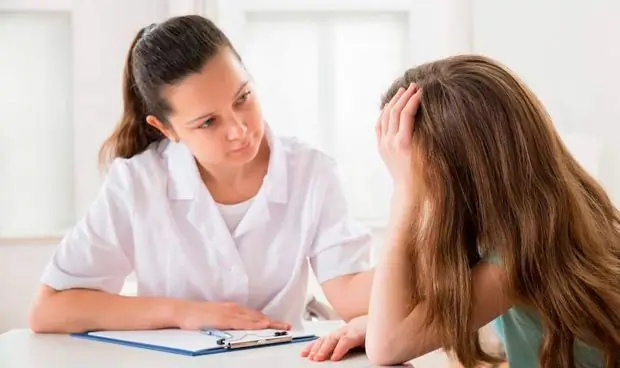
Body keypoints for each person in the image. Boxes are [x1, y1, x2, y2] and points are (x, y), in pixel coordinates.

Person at [28, 15, 374, 334]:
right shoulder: (137, 182)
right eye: (208, 122)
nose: (239, 130)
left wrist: (418, 215)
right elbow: (49, 310)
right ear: (166, 129)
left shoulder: (312, 171)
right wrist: (182, 312)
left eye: (243, 98)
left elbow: (350, 295)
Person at [301, 55, 620, 367]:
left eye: (414, 169)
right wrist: (374, 321)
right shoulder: (547, 217)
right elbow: (393, 305)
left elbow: (387, 347)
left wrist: (403, 194)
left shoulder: (519, 256)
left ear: (463, 172)